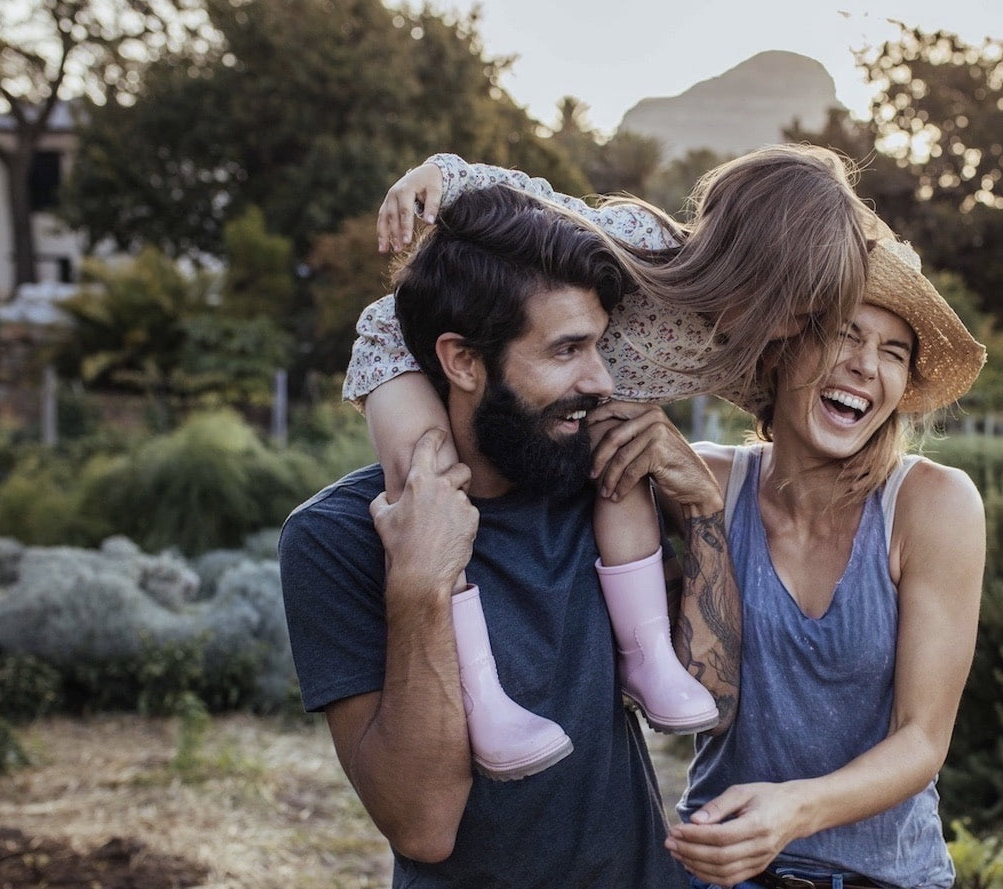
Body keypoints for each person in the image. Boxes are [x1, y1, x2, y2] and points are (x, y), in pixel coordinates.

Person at [351, 145, 877, 772]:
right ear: (744, 263)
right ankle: (479, 694)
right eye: (790, 307)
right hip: (404, 346)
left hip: (574, 398)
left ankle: (646, 656)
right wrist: (441, 175)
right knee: (427, 482)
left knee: (625, 456)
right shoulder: (640, 243)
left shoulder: (742, 343)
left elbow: (801, 401)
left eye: (809, 316)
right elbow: (533, 199)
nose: (791, 328)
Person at [279, 185, 740, 886]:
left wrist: (701, 504)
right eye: (567, 349)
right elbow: (423, 827)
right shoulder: (334, 538)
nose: (601, 378)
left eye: (598, 344)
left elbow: (717, 698)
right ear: (463, 361)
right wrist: (420, 583)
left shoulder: (598, 485)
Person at [658, 237, 989, 889]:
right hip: (719, 870)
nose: (866, 365)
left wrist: (795, 810)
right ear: (778, 348)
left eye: (894, 351)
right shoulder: (706, 483)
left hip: (883, 878)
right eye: (844, 333)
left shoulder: (931, 506)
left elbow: (922, 739)